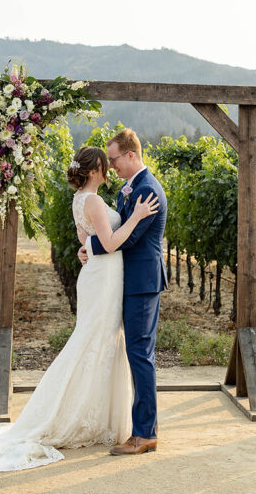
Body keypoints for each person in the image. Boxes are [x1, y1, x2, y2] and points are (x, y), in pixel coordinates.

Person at [0, 145, 159, 474]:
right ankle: (69, 415)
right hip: (104, 278)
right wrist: (135, 217)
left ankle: (92, 415)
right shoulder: (92, 200)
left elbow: (85, 239)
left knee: (99, 342)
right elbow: (107, 243)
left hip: (100, 275)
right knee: (92, 342)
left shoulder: (80, 199)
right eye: (105, 163)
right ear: (94, 170)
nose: (110, 167)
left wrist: (88, 249)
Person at [78, 127, 168, 455]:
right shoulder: (127, 191)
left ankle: (145, 434)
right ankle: (142, 429)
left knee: (140, 355)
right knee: (135, 355)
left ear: (131, 155)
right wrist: (88, 245)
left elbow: (127, 239)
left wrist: (91, 245)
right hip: (127, 281)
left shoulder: (148, 191)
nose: (110, 165)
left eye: (114, 158)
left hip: (143, 284)